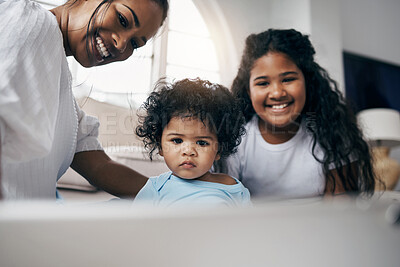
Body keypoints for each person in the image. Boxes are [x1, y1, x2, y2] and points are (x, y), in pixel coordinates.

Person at [0, 0, 169, 200]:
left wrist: (175, 194)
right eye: (122, 19)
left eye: (134, 43)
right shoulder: (32, 21)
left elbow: (100, 166)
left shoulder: (66, 104)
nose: (122, 44)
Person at [215, 29, 377, 199]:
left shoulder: (333, 136)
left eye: (288, 79)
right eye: (263, 83)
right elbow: (227, 208)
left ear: (307, 82)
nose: (277, 93)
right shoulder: (236, 143)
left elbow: (340, 212)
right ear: (249, 91)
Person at [133, 78, 250, 208]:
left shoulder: (233, 188)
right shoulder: (155, 189)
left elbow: (250, 225)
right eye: (177, 141)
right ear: (160, 146)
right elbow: (137, 226)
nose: (188, 151)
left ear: (219, 150)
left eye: (201, 142)